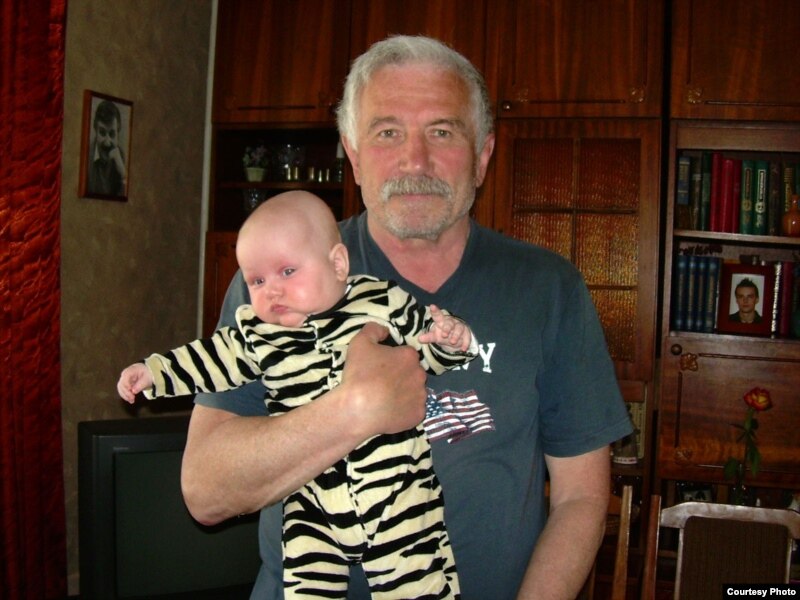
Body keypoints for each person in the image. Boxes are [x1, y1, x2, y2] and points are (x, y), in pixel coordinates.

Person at [182, 35, 632, 599]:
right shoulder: (279, 282)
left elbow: (580, 497)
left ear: (483, 156)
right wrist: (353, 411)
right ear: (353, 154)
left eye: (442, 132)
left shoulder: (549, 287)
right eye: (387, 132)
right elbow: (205, 492)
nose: (415, 160)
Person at [118, 191, 477, 598]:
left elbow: (425, 348)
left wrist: (450, 339)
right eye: (257, 281)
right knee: (306, 584)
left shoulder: (380, 301)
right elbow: (210, 359)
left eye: (287, 271)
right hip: (311, 498)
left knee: (415, 581)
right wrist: (155, 373)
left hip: (394, 488)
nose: (271, 291)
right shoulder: (257, 334)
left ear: (337, 264)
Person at [86, 99, 126, 196]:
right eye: (102, 133)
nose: (107, 143)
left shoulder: (121, 157)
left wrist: (123, 174)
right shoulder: (86, 157)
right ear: (96, 131)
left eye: (112, 134)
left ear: (118, 134)